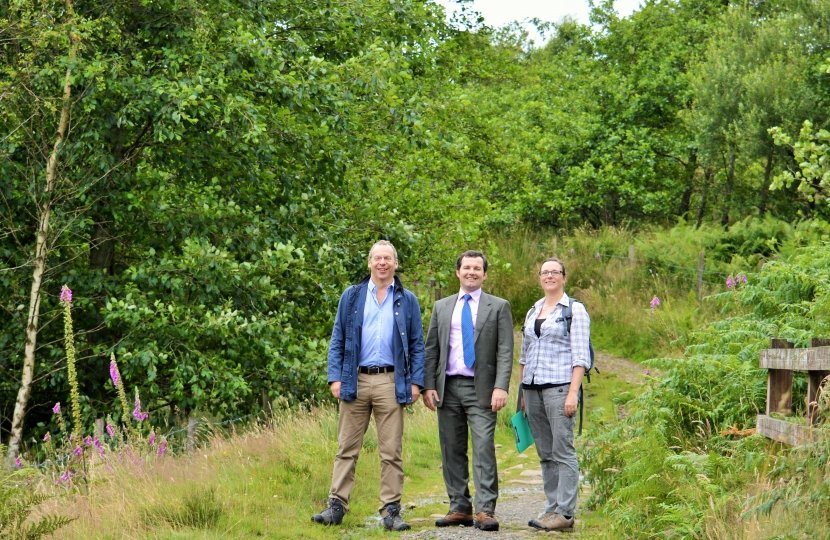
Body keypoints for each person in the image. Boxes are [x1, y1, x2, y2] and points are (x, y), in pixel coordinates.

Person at [312, 240, 425, 531]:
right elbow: (338, 338)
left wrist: (416, 383)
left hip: (391, 380)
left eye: (388, 258)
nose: (383, 263)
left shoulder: (407, 299)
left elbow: (416, 344)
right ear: (369, 262)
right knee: (346, 447)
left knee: (391, 451)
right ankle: (336, 506)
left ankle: (391, 511)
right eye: (378, 258)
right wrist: (335, 377)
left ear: (395, 263)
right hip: (354, 379)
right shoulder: (351, 296)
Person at [423, 250, 514, 532]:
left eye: (477, 268)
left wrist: (501, 386)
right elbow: (431, 350)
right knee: (451, 448)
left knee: (484, 447)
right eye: (466, 268)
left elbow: (505, 351)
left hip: (483, 389)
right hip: (447, 387)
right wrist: (428, 385)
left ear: (485, 274)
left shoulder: (498, 306)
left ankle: (485, 509)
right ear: (458, 272)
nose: (471, 272)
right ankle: (459, 507)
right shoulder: (441, 306)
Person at [519, 257, 590, 532]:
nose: (549, 276)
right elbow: (524, 354)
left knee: (563, 451)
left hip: (560, 388)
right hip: (533, 389)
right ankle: (551, 509)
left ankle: (566, 513)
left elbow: (581, 356)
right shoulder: (533, 309)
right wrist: (522, 392)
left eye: (555, 272)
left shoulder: (575, 310)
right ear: (539, 277)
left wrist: (573, 393)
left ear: (564, 277)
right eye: (545, 272)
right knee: (545, 453)